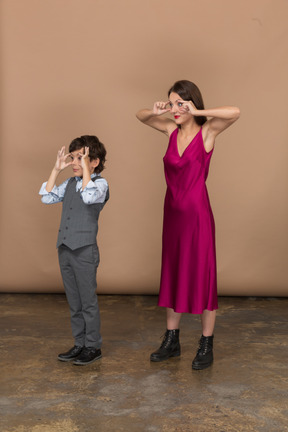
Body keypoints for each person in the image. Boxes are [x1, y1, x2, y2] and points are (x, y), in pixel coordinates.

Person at [136, 80, 240, 370]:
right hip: (172, 215)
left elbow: (235, 112)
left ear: (192, 104)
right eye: (171, 103)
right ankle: (172, 340)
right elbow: (140, 115)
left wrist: (198, 111)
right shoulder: (170, 130)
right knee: (173, 271)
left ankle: (206, 344)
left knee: (203, 275)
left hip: (197, 216)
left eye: (180, 103)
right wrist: (158, 110)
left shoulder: (208, 133)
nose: (175, 109)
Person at [39, 135, 109, 365]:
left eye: (82, 158)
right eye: (73, 158)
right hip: (65, 249)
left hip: (84, 251)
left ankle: (92, 346)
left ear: (94, 162)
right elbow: (47, 197)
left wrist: (85, 171)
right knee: (74, 301)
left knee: (88, 302)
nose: (75, 163)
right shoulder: (69, 183)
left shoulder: (100, 184)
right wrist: (56, 169)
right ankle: (79, 343)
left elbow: (89, 198)